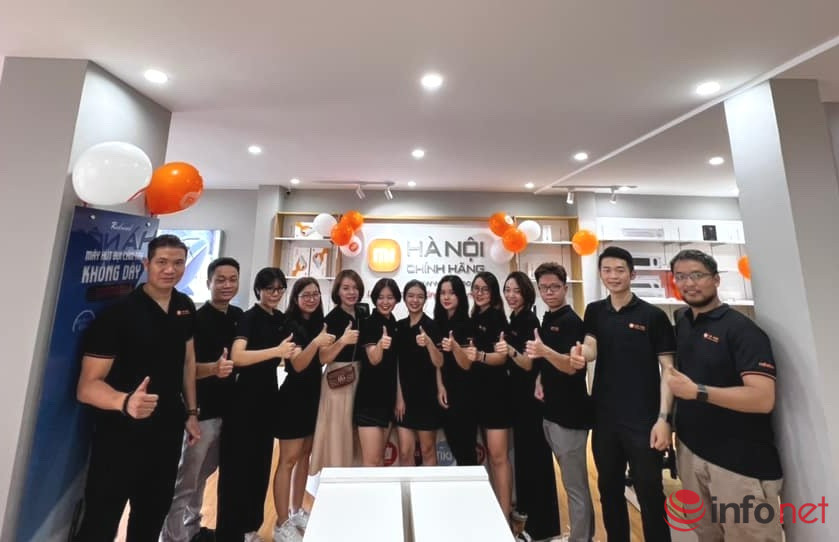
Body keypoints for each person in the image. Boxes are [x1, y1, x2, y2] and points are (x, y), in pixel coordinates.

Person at [73, 234, 200, 542]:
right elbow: (86, 387)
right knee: (101, 520)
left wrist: (192, 412)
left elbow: (188, 362)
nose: (170, 269)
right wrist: (125, 401)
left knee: (151, 516)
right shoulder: (119, 314)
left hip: (167, 430)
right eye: (161, 262)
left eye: (178, 263)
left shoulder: (184, 306)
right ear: (147, 264)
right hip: (120, 434)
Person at [665, 249, 783, 541]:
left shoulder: (742, 331)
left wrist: (698, 392)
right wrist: (664, 420)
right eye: (681, 276)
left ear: (716, 280)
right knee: (707, 535)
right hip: (691, 453)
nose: (689, 283)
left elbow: (762, 399)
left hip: (738, 464)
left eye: (697, 275)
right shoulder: (682, 321)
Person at [570, 246, 675, 542]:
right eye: (607, 270)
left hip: (644, 420)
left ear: (632, 274)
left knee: (650, 492)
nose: (613, 276)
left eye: (619, 270)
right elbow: (591, 346)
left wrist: (664, 419)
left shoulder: (653, 316)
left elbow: (669, 370)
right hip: (604, 418)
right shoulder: (594, 311)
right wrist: (582, 354)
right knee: (609, 490)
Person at [161, 257, 242, 542]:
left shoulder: (238, 316)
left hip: (228, 410)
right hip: (201, 412)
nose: (227, 285)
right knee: (187, 479)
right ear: (208, 282)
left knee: (206, 472)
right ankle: (172, 537)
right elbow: (185, 368)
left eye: (232, 279)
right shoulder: (196, 319)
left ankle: (192, 528)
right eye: (220, 279)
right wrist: (214, 369)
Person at [217, 268, 297, 542]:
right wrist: (277, 351)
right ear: (258, 290)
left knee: (260, 467)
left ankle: (250, 527)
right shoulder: (249, 318)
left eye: (280, 289)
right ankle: (230, 533)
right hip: (244, 400)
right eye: (269, 289)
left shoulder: (280, 319)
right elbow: (237, 356)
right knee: (237, 469)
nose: (275, 294)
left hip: (268, 397)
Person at [524, 263, 594, 542]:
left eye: (554, 287)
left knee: (575, 487)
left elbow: (571, 367)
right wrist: (540, 379)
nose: (549, 292)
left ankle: (581, 538)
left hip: (570, 416)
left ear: (565, 287)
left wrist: (543, 351)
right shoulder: (548, 318)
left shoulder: (572, 322)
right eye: (544, 288)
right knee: (568, 483)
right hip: (551, 413)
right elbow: (550, 365)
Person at [494, 270, 561, 541]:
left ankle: (543, 528)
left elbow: (527, 364)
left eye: (516, 291)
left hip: (530, 403)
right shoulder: (515, 318)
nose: (511, 295)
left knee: (536, 463)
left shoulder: (529, 320)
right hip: (518, 401)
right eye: (507, 290)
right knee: (525, 462)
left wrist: (508, 350)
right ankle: (530, 523)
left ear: (526, 294)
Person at [271, 278, 336, 542]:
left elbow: (322, 359)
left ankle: (296, 511)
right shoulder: (289, 325)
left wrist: (338, 341)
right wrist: (317, 342)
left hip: (313, 396)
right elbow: (298, 365)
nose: (311, 299)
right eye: (305, 295)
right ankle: (281, 523)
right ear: (296, 298)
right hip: (293, 398)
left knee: (304, 458)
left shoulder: (319, 323)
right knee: (287, 460)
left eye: (315, 294)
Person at [466, 271, 513, 520]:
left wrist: (480, 356)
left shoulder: (497, 319)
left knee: (498, 457)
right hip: (477, 395)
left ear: (493, 293)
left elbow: (501, 357)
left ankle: (504, 516)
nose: (480, 293)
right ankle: (494, 511)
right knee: (488, 456)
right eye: (476, 288)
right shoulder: (473, 317)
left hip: (497, 396)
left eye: (485, 289)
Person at [310, 269, 366, 474]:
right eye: (346, 288)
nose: (351, 292)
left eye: (355, 288)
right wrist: (343, 341)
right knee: (337, 432)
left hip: (359, 376)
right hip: (338, 379)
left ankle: (352, 477)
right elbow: (323, 357)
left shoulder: (362, 314)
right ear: (338, 292)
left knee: (354, 431)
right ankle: (335, 475)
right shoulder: (332, 319)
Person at [394, 280, 443, 466]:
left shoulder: (432, 326)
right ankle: (407, 487)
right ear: (405, 298)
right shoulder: (399, 327)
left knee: (427, 449)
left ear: (425, 299)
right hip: (404, 399)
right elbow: (397, 365)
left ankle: (430, 486)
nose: (415, 300)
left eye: (420, 297)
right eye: (411, 296)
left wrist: (429, 343)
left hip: (427, 398)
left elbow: (439, 362)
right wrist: (399, 398)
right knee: (405, 452)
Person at [355, 278, 401, 466]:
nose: (385, 302)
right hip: (369, 400)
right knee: (371, 462)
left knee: (380, 460)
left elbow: (396, 365)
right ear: (374, 299)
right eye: (381, 297)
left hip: (388, 400)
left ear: (396, 299)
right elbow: (374, 359)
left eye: (390, 297)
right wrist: (381, 344)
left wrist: (399, 398)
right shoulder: (370, 323)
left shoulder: (394, 323)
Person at [435, 275, 478, 466]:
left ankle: (471, 484)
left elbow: (467, 364)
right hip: (445, 392)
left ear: (460, 295)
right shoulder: (437, 323)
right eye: (443, 293)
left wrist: (455, 347)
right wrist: (440, 387)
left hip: (465, 394)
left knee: (466, 451)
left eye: (452, 293)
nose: (446, 297)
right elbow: (438, 361)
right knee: (453, 444)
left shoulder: (468, 324)